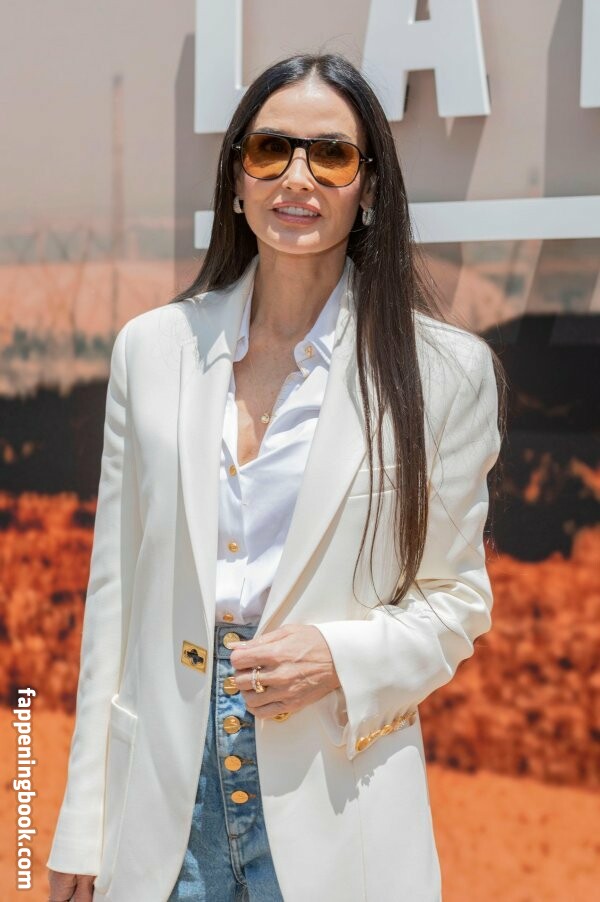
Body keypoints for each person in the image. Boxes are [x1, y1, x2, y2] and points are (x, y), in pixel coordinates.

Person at [46, 51, 505, 902]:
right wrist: (81, 822)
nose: (297, 177)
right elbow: (115, 599)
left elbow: (456, 602)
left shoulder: (445, 373)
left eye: (331, 155)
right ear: (236, 179)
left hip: (338, 799)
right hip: (163, 811)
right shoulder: (153, 350)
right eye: (270, 149)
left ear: (369, 187)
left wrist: (337, 654)